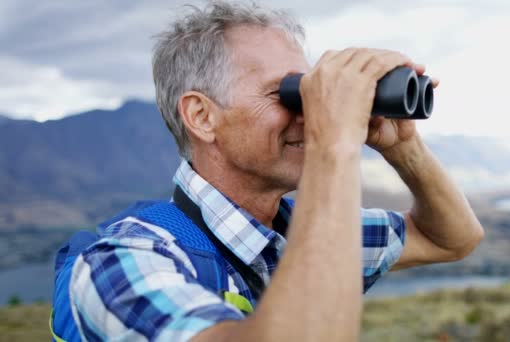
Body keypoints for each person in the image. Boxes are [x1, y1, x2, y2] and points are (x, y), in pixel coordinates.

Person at [68, 1, 484, 341]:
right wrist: (333, 142)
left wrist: (404, 147)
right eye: (288, 94)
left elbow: (451, 238)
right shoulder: (123, 264)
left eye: (309, 92)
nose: (309, 113)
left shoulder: (295, 235)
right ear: (202, 116)